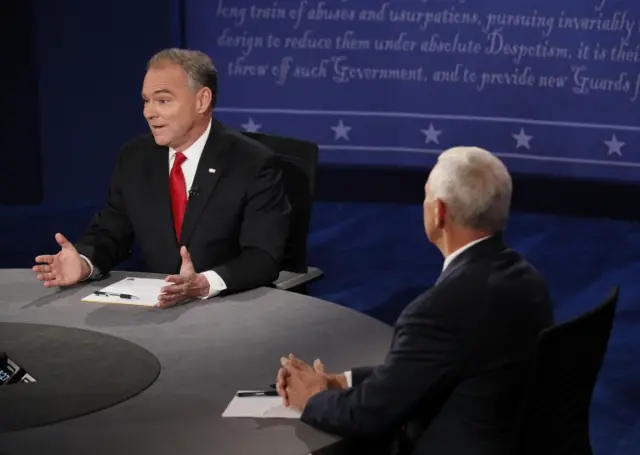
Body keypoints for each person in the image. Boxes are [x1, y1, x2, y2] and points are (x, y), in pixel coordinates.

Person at [276, 147, 554, 455]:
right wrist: (341, 380)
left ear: (439, 212)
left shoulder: (439, 310)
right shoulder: (527, 278)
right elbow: (427, 367)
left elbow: (366, 417)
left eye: (425, 196)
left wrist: (312, 398)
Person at [32, 48, 290, 308]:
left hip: (232, 307)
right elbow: (112, 232)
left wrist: (204, 283)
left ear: (201, 100)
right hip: (160, 312)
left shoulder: (252, 163)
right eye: (146, 101)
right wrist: (84, 263)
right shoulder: (135, 158)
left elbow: (262, 257)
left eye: (163, 100)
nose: (149, 112)